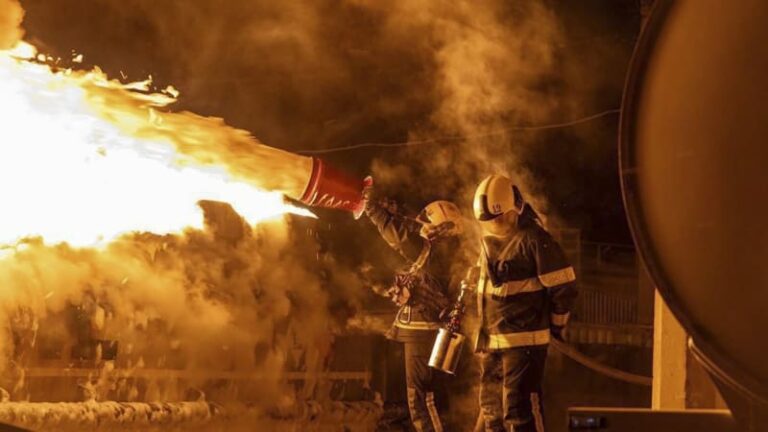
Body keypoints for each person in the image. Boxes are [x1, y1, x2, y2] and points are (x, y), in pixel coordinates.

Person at [470, 174, 577, 432]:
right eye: (489, 222)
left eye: (499, 219)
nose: (495, 226)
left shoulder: (535, 240)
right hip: (492, 341)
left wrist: (556, 325)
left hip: (524, 343)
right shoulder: (488, 244)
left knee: (518, 410)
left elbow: (564, 288)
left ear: (513, 209)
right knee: (491, 410)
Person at [365, 192, 464, 432]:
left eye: (427, 225)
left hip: (423, 337)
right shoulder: (445, 252)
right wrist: (395, 207)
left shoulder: (436, 254)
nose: (422, 228)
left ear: (439, 230)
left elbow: (399, 239)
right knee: (419, 402)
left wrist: (374, 210)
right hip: (419, 335)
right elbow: (411, 228)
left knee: (424, 402)